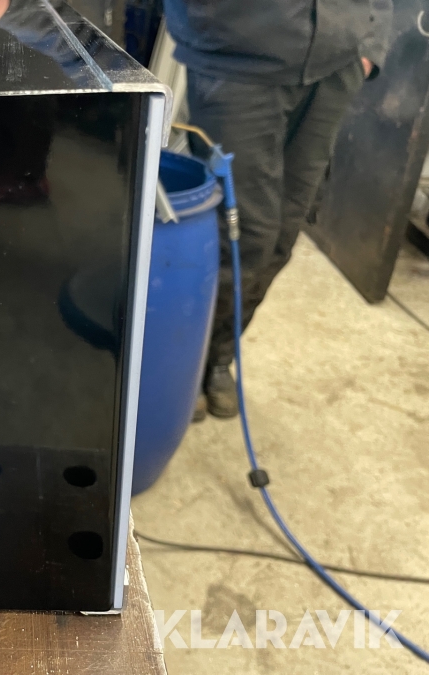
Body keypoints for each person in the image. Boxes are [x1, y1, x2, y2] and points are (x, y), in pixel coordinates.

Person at [162, 0, 393, 419]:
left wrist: (371, 40)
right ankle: (180, 365)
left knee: (283, 235)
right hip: (239, 54)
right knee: (239, 238)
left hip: (336, 59)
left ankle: (218, 355)